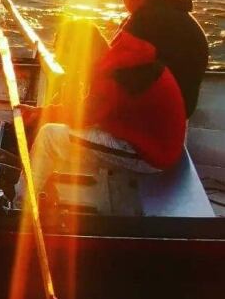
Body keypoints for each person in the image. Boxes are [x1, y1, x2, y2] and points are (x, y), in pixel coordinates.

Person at [16, 22, 187, 206]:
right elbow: (93, 109)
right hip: (154, 139)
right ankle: (42, 187)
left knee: (49, 136)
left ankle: (19, 206)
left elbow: (82, 117)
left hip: (150, 155)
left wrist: (45, 112)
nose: (63, 64)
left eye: (64, 57)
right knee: (60, 131)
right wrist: (43, 112)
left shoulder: (111, 75)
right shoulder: (119, 59)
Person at [117, 0, 209, 117]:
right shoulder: (180, 15)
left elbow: (111, 68)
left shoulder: (143, 22)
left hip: (156, 116)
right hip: (183, 111)